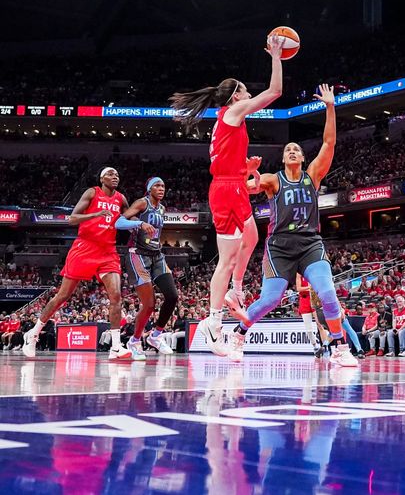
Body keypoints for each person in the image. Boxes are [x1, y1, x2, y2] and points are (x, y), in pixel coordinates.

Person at [169, 35, 285, 356]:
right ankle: (214, 320)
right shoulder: (234, 112)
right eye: (245, 90)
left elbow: (227, 168)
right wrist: (276, 56)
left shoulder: (227, 121)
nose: (249, 93)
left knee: (251, 236)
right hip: (225, 191)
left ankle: (235, 292)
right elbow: (275, 92)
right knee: (227, 260)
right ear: (236, 96)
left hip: (231, 185)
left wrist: (244, 171)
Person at [227, 84, 356, 366]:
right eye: (288, 149)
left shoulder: (313, 176)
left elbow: (329, 143)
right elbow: (249, 188)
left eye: (297, 149)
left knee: (328, 293)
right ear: (284, 158)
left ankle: (339, 347)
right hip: (280, 246)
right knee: (270, 300)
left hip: (310, 244)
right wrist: (248, 172)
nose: (293, 151)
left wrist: (330, 107)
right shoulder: (274, 179)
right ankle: (238, 335)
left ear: (303, 157)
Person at [23, 168, 131, 359]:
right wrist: (95, 214)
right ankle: (33, 333)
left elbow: (129, 217)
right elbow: (73, 218)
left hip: (108, 251)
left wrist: (143, 223)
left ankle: (116, 346)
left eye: (117, 175)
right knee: (63, 295)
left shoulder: (121, 199)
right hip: (84, 248)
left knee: (116, 296)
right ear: (101, 179)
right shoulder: (92, 192)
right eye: (111, 174)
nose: (115, 177)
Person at [115, 177, 177, 360]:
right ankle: (134, 341)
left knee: (172, 296)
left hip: (157, 255)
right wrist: (139, 223)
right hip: (138, 254)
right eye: (157, 185)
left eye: (163, 185)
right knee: (149, 305)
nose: (161, 188)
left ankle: (156, 335)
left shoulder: (162, 208)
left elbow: (155, 233)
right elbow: (119, 223)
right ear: (149, 189)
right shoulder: (143, 203)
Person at [296, 274, 324, 357]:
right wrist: (310, 288)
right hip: (304, 301)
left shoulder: (312, 273)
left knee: (320, 325)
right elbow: (298, 288)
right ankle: (315, 346)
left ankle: (325, 346)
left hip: (314, 299)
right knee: (309, 329)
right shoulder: (299, 275)